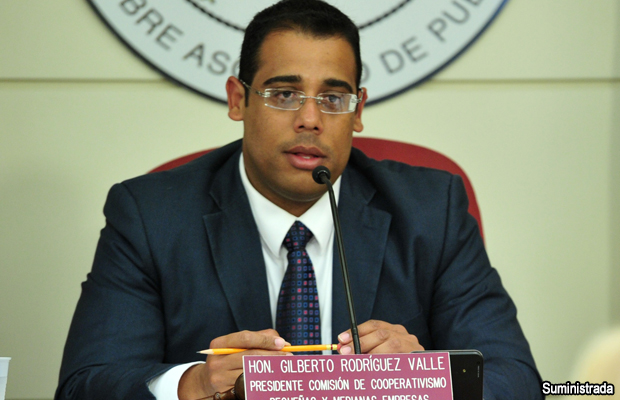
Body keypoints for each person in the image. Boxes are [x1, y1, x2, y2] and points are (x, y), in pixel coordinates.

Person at [55, 1, 542, 399]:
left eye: (333, 99)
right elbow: (86, 384)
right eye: (284, 94)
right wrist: (191, 385)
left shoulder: (431, 210)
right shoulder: (150, 216)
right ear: (238, 100)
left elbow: (519, 381)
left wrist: (428, 376)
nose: (310, 119)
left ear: (358, 111)